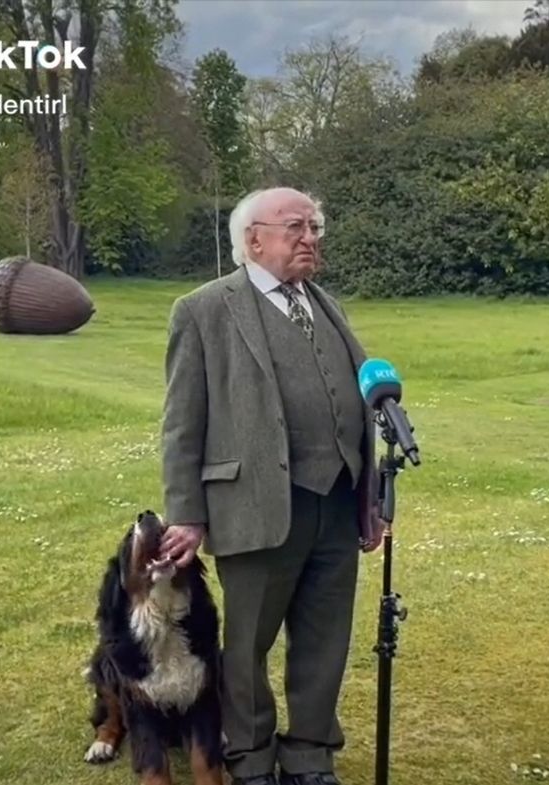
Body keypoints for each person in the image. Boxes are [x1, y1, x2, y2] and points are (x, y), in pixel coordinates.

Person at [157, 186, 385, 785]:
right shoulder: (204, 310)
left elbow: (364, 407)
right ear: (253, 239)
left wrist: (374, 500)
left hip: (336, 503)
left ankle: (310, 756)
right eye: (296, 227)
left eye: (314, 227)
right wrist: (187, 513)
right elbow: (182, 424)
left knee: (324, 638)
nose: (311, 238)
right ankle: (251, 756)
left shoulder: (325, 304)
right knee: (248, 644)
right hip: (252, 504)